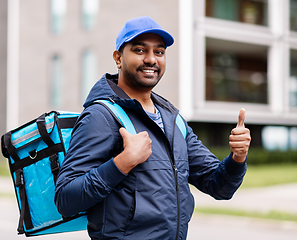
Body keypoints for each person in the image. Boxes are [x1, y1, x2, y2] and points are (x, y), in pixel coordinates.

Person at [55, 16, 251, 240]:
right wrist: (122, 163)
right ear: (118, 58)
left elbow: (219, 187)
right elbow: (65, 199)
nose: (151, 59)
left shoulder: (173, 119)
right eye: (139, 50)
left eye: (159, 52)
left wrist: (237, 158)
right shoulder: (101, 116)